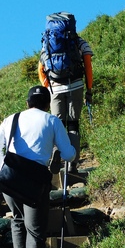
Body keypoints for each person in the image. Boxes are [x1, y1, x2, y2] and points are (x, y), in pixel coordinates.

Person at [0, 85, 76, 248]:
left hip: (11, 179)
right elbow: (69, 154)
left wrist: (6, 171)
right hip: (35, 183)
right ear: (47, 105)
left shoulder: (12, 118)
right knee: (36, 232)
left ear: (27, 103)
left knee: (17, 221)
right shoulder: (52, 121)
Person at [38, 13, 93, 173]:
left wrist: (48, 87)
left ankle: (56, 152)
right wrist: (89, 90)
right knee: (73, 124)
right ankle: (73, 164)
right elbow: (88, 67)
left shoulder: (47, 44)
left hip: (55, 88)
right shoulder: (79, 42)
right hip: (76, 85)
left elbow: (41, 70)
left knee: (58, 125)